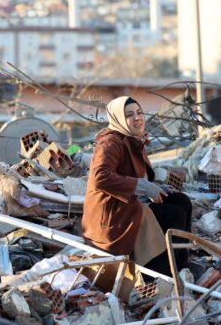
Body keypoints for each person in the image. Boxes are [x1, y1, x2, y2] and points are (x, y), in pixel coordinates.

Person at [82, 96, 192, 276]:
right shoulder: (110, 142)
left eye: (139, 112)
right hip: (112, 214)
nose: (137, 118)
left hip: (128, 203)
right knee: (174, 215)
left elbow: (135, 175)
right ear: (117, 118)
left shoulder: (132, 138)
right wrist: (140, 186)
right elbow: (99, 177)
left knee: (182, 201)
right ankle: (160, 274)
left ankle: (182, 267)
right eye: (129, 115)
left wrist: (155, 187)